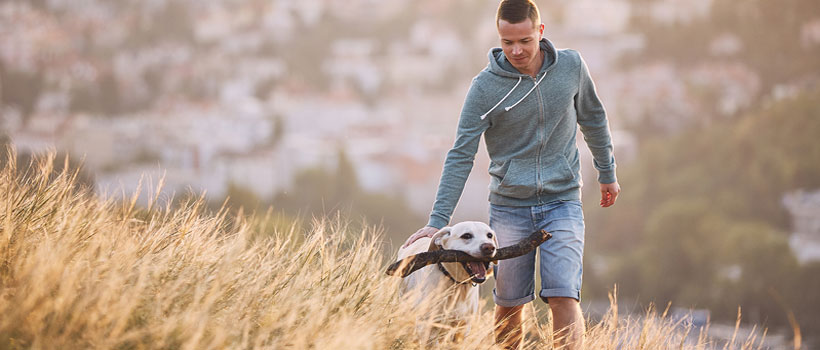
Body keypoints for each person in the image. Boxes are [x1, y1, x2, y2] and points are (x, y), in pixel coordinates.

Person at [401, 0, 620, 349]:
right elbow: (461, 154)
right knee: (509, 304)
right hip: (509, 207)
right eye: (507, 42)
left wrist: (606, 171)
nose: (516, 50)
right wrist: (437, 220)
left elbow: (593, 118)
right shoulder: (485, 87)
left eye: (525, 41)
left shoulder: (571, 66)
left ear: (541, 32)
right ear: (499, 37)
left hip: (562, 200)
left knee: (564, 295)